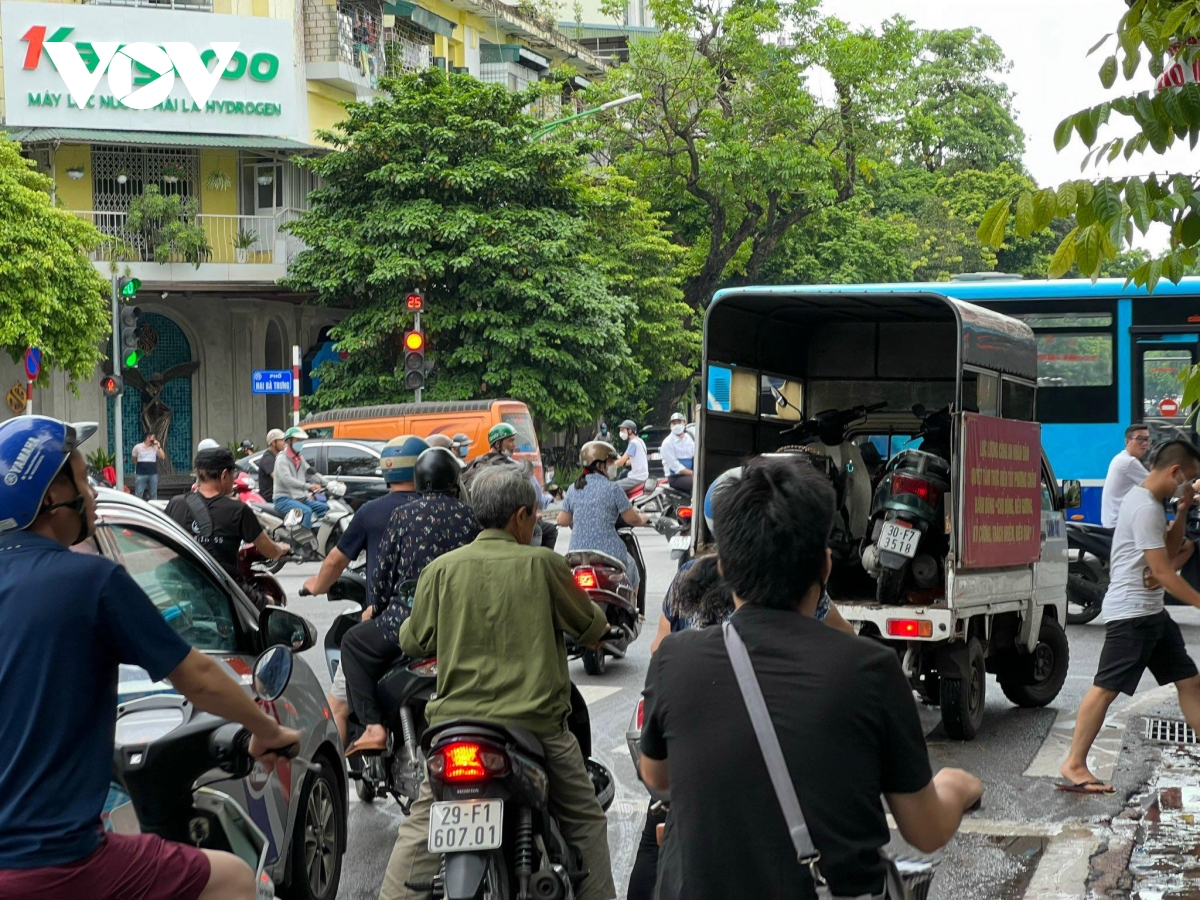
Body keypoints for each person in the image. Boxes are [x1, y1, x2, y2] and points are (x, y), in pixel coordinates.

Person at [638, 456, 983, 900]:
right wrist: (959, 785)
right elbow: (926, 829)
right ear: (824, 566)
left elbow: (658, 777)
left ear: (724, 568)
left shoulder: (674, 660)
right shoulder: (871, 671)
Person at [0, 416, 302, 900]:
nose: (94, 491)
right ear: (52, 498)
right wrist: (268, 731)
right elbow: (197, 675)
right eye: (84, 478)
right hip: (58, 862)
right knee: (233, 879)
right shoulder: (91, 581)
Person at [379, 467, 615, 900]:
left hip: (454, 729)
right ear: (520, 517)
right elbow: (591, 625)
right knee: (586, 822)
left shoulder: (441, 570)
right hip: (537, 729)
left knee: (419, 828)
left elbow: (412, 639)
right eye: (534, 516)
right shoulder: (545, 565)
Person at [1059, 439, 1200, 793]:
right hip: (1132, 614)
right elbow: (1164, 572)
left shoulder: (1154, 503)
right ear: (1175, 471)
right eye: (1190, 479)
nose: (1191, 486)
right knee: (1105, 689)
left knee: (1189, 681)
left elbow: (1168, 551)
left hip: (1152, 611)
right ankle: (1074, 764)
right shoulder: (1144, 507)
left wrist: (1181, 512)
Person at [340, 447, 480, 755]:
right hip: (463, 624)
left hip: (407, 623)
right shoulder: (470, 517)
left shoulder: (403, 514)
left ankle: (374, 728)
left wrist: (375, 605)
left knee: (352, 644)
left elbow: (382, 572)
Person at [301, 435, 428, 744]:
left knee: (338, 706)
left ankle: (340, 781)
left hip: (388, 622)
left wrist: (316, 586)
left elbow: (335, 561)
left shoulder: (371, 512)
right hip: (442, 620)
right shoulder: (444, 510)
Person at [165, 447, 290, 606]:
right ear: (224, 475)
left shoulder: (176, 504)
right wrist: (282, 548)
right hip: (225, 590)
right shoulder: (238, 510)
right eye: (233, 474)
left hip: (183, 588)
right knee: (272, 604)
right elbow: (270, 550)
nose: (234, 479)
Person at [558, 441, 648, 592]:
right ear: (600, 465)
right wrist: (644, 518)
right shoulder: (613, 489)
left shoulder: (574, 488)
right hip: (608, 554)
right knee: (633, 570)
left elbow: (562, 520)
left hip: (577, 554)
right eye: (611, 461)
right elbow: (632, 519)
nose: (614, 465)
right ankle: (635, 612)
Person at [463, 422, 556, 549]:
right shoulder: (514, 467)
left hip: (479, 521)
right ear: (497, 443)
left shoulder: (474, 463)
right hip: (508, 524)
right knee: (548, 530)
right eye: (510, 441)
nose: (514, 445)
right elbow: (537, 498)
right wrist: (548, 499)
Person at [272, 427, 328, 529]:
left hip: (299, 498)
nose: (301, 443)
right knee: (306, 511)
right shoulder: (281, 459)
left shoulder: (299, 458)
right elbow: (287, 480)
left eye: (302, 441)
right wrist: (309, 486)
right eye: (298, 440)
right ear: (289, 441)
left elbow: (310, 473)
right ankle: (303, 543)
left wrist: (329, 483)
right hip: (283, 499)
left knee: (325, 508)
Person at [1102, 424, 1152, 528]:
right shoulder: (1129, 462)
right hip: (1119, 525)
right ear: (1127, 441)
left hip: (1114, 522)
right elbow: (1158, 484)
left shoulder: (1119, 457)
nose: (1144, 443)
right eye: (1140, 439)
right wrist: (1194, 487)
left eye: (1147, 439)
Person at [659, 413, 695, 497]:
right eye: (674, 423)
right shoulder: (667, 443)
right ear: (670, 426)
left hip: (690, 474)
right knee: (697, 482)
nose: (677, 425)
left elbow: (695, 455)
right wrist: (693, 473)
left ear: (684, 423)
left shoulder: (689, 439)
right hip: (675, 478)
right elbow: (676, 467)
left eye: (679, 422)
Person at [614, 419, 649, 494]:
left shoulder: (633, 443)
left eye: (623, 430)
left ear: (630, 431)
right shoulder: (640, 441)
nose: (621, 433)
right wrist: (622, 463)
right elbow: (634, 460)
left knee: (613, 487)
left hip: (637, 477)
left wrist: (610, 465)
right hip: (643, 476)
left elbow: (622, 461)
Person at [130, 432, 165, 501]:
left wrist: (158, 446)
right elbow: (134, 458)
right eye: (153, 438)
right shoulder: (138, 447)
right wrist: (140, 466)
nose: (155, 439)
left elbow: (163, 457)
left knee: (153, 493)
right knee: (139, 493)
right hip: (141, 473)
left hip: (153, 473)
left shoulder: (155, 447)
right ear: (148, 438)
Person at [258, 428, 286, 504]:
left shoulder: (278, 457)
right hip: (271, 500)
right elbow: (279, 479)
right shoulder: (268, 459)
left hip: (280, 496)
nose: (284, 443)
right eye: (282, 440)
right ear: (274, 443)